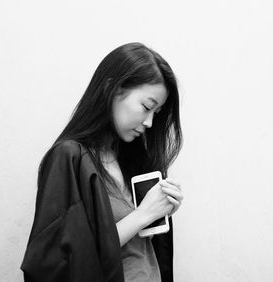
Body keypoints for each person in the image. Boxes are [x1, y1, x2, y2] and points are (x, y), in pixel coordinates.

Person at [20, 42, 184, 282]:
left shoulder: (136, 161)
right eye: (147, 106)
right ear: (112, 89)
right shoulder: (69, 158)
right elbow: (64, 260)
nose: (149, 122)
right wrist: (144, 214)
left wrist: (163, 207)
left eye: (156, 113)